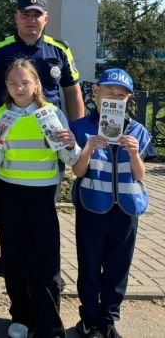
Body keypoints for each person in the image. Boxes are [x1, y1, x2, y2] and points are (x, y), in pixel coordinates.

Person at [0, 59, 80, 338]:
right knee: (13, 259)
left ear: (36, 83)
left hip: (42, 195)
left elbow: (69, 158)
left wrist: (72, 144)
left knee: (46, 262)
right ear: (6, 86)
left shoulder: (51, 113)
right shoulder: (1, 116)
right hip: (8, 193)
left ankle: (48, 324)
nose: (19, 87)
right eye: (13, 83)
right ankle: (21, 316)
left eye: (25, 82)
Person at [70, 69, 155, 338]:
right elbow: (77, 171)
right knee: (90, 265)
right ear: (96, 93)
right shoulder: (81, 127)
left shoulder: (138, 131)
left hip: (126, 209)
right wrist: (88, 149)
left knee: (119, 267)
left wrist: (133, 153)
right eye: (108, 93)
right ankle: (89, 318)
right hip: (92, 206)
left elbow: (140, 175)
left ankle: (108, 319)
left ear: (128, 99)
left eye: (121, 95)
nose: (114, 99)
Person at [0, 0, 85, 120]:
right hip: (7, 127)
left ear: (46, 19)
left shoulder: (59, 49)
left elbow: (72, 92)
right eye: (25, 15)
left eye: (37, 15)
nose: (31, 20)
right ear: (16, 18)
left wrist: (77, 128)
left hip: (50, 127)